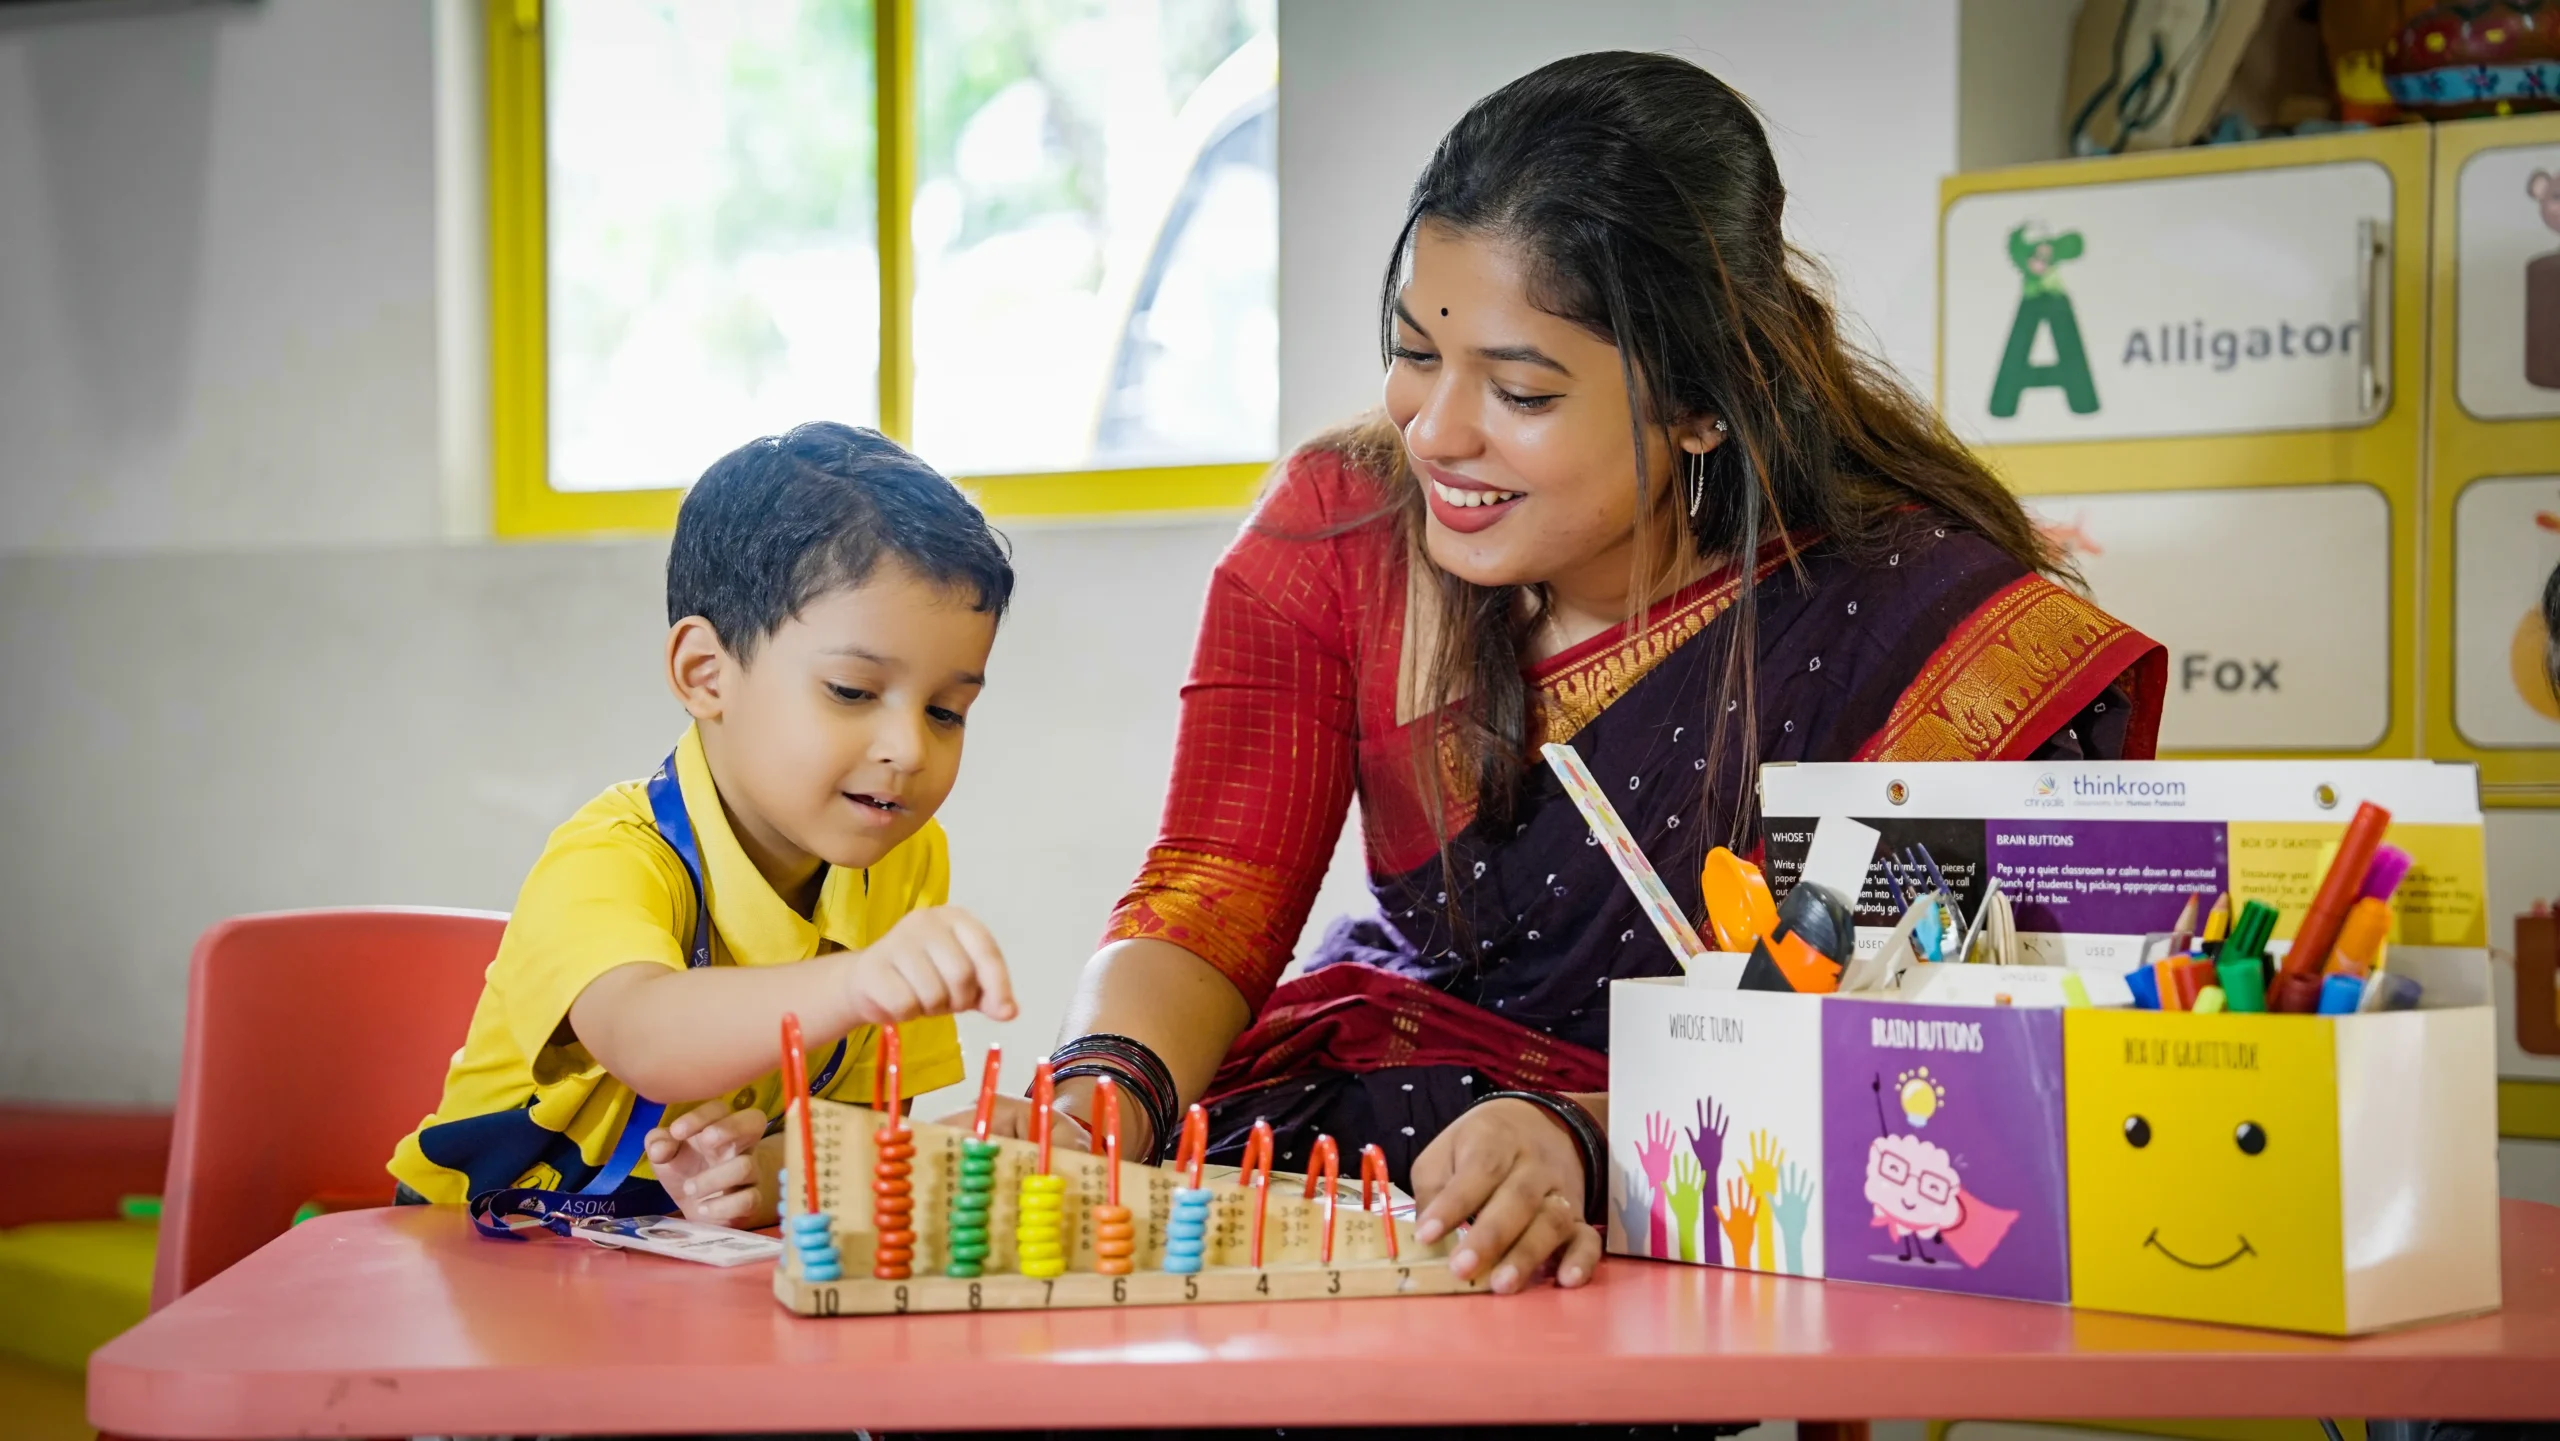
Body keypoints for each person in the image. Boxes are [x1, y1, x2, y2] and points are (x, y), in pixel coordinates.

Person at [975, 52, 2165, 1295]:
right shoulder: (1339, 527)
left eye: (1521, 388)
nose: (1435, 431)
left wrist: (1593, 1138)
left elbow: (1907, 1061)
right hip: (1358, 1155)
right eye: (1414, 355)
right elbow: (1212, 889)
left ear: (1706, 402)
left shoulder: (1921, 633)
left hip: (1685, 1200)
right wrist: (1107, 1082)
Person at [390, 422, 1020, 1230]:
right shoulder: (612, 855)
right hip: (465, 1258)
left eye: (946, 711)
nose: (908, 748)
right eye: (853, 692)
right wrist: (854, 984)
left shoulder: (905, 860)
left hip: (665, 1272)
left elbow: (849, 1133)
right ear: (705, 674)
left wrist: (772, 1169)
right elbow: (644, 1032)